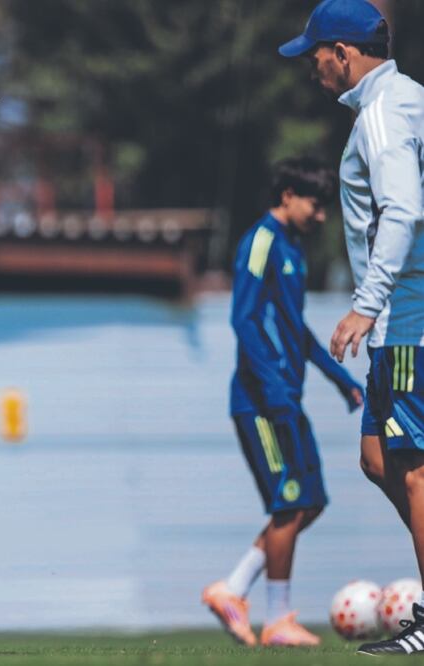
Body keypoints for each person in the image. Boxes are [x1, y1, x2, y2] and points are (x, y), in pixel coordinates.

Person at [279, 0, 424, 655]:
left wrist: (367, 303)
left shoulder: (382, 115)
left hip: (406, 318)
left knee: (414, 470)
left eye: (315, 51)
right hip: (401, 316)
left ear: (342, 51)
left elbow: (401, 211)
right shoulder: (406, 100)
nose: (310, 63)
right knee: (377, 460)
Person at [203, 158, 363, 647]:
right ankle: (277, 619)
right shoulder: (261, 242)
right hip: (262, 402)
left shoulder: (294, 249)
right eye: (315, 205)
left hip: (287, 400)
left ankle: (231, 590)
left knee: (309, 502)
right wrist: (272, 388)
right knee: (289, 504)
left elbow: (298, 331)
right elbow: (243, 319)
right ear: (288, 195)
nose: (321, 216)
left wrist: (341, 380)